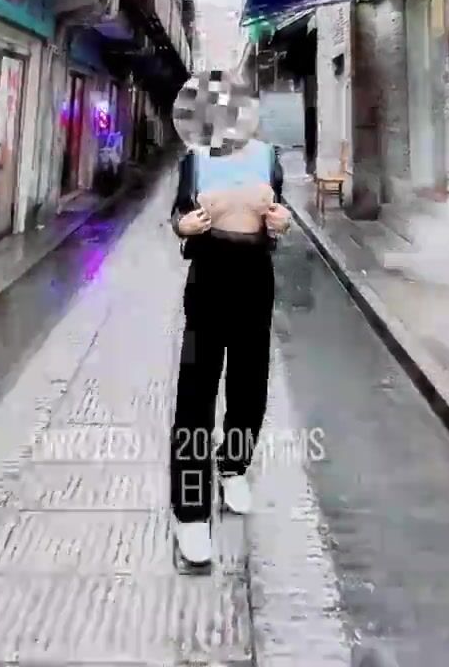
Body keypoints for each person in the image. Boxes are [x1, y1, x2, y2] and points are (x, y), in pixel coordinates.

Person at [169, 73, 291, 569]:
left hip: (255, 278)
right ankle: (190, 513)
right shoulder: (195, 160)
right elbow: (178, 216)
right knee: (195, 395)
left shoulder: (269, 158)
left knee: (249, 387)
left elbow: (278, 216)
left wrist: (280, 224)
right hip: (208, 277)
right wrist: (185, 225)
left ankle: (234, 468)